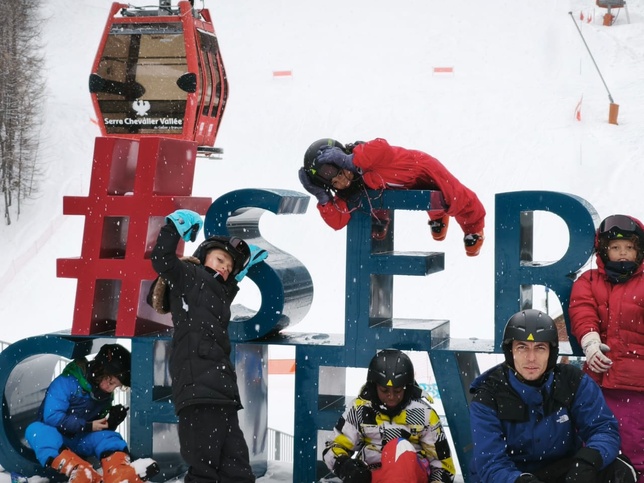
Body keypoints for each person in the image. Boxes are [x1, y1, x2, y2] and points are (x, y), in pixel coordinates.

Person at [150, 209, 267, 483]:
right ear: (203, 257)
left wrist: (239, 274)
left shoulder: (219, 293)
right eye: (220, 260)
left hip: (223, 395)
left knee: (238, 471)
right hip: (198, 393)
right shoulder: (189, 276)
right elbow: (163, 260)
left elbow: (219, 296)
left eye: (229, 266)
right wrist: (173, 228)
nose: (225, 267)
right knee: (204, 470)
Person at [469, 309, 637, 483]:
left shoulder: (572, 381)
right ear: (510, 351)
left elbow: (603, 428)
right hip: (511, 477)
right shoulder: (488, 395)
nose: (531, 358)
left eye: (540, 348)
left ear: (551, 352)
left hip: (561, 470)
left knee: (618, 469)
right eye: (522, 347)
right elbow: (490, 462)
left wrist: (588, 461)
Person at [298, 137, 486, 256]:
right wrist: (322, 197)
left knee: (453, 194)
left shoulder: (364, 156)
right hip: (398, 187)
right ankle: (436, 217)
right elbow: (338, 221)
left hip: (420, 168)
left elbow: (382, 146)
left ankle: (474, 228)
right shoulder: (348, 191)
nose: (342, 181)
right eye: (334, 183)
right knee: (415, 200)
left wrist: (352, 161)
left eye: (340, 173)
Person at [569, 214, 644, 482]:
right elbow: (582, 310)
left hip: (635, 387)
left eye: (629, 247)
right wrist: (590, 341)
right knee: (594, 447)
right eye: (615, 247)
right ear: (603, 250)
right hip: (597, 384)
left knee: (635, 449)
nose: (622, 253)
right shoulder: (589, 280)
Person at [25, 343, 158, 483]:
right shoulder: (66, 382)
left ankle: (118, 472)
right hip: (56, 440)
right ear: (100, 370)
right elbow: (52, 417)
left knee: (110, 437)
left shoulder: (104, 395)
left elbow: (97, 426)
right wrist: (87, 425)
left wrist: (111, 422)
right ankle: (80, 472)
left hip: (80, 440)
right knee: (34, 430)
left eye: (116, 386)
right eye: (110, 382)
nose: (110, 389)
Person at [322, 349, 456, 482]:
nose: (391, 396)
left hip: (413, 475)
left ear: (407, 387)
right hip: (373, 475)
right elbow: (333, 448)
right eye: (384, 390)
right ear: (374, 386)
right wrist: (346, 467)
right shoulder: (360, 410)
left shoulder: (424, 414)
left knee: (399, 447)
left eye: (397, 390)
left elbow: (443, 466)